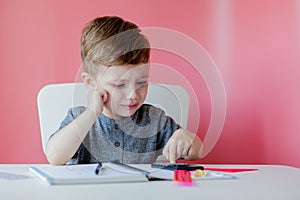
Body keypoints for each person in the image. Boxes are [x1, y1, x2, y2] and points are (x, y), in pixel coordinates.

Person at [45, 16, 202, 165]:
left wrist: (187, 139)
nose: (133, 95)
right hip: (89, 193)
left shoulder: (154, 119)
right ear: (90, 82)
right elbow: (54, 157)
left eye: (141, 82)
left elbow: (197, 151)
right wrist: (91, 113)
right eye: (120, 85)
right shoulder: (79, 118)